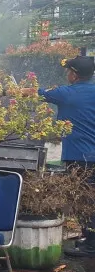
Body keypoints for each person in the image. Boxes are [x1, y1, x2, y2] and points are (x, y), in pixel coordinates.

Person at [37, 55, 95, 257]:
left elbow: (36, 93)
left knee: (85, 201)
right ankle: (89, 239)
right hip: (90, 154)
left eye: (68, 71)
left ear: (74, 75)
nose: (66, 74)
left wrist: (6, 91)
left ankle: (91, 246)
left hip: (81, 156)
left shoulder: (66, 93)